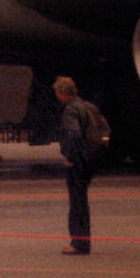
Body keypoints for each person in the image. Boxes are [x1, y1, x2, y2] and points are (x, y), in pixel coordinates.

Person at [53, 76, 95, 255]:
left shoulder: (70, 110)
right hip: (87, 160)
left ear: (62, 93)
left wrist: (70, 157)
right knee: (82, 203)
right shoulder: (83, 105)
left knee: (76, 203)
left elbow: (73, 135)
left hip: (76, 163)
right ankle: (83, 241)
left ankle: (78, 243)